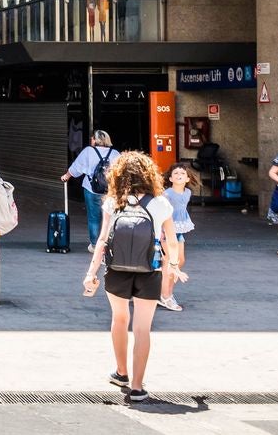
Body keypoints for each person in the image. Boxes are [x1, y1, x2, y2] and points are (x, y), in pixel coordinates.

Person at [79, 151, 184, 404]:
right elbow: (171, 241)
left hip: (117, 270)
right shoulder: (160, 203)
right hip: (150, 271)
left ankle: (121, 373)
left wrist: (91, 273)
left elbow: (102, 240)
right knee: (142, 328)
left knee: (119, 319)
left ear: (118, 175)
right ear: (149, 175)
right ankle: (137, 387)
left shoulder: (113, 202)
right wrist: (172, 265)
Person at [62, 130, 119, 246]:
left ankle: (94, 245)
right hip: (110, 191)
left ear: (96, 140)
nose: (91, 140)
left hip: (91, 189)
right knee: (110, 217)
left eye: (92, 138)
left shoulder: (88, 151)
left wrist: (66, 176)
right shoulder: (115, 153)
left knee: (94, 218)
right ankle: (109, 244)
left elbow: (76, 168)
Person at [159, 163, 200, 312]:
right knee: (169, 262)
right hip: (166, 230)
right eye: (175, 173)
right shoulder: (166, 194)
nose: (179, 175)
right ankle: (165, 296)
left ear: (188, 178)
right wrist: (161, 230)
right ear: (170, 178)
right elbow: (161, 212)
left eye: (182, 173)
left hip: (179, 230)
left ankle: (165, 291)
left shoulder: (187, 193)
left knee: (180, 260)